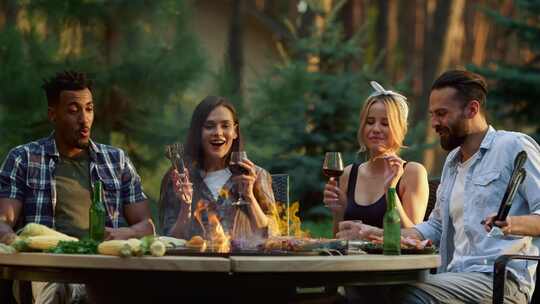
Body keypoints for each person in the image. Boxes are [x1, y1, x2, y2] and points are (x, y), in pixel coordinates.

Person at [338, 70, 540, 303]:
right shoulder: (453, 162)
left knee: (406, 295)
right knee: (360, 290)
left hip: (500, 282)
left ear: (472, 109)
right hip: (453, 276)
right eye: (432, 114)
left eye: (442, 114)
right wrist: (375, 234)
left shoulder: (513, 147)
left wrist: (513, 223)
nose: (434, 123)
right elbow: (434, 228)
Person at [0, 71, 154, 304]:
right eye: (74, 110)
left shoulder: (116, 160)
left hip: (105, 269)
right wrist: (14, 240)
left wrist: (123, 233)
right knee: (62, 293)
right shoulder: (24, 159)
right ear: (53, 114)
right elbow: (3, 221)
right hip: (48, 270)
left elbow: (146, 227)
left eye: (89, 109)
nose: (84, 119)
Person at [159, 96, 277, 243]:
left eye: (225, 126)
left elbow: (273, 236)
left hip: (244, 264)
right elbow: (169, 242)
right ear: (198, 132)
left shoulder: (256, 175)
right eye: (209, 126)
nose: (218, 132)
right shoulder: (180, 179)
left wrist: (249, 197)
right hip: (195, 264)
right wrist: (185, 207)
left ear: (235, 132)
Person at [323, 81, 429, 236]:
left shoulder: (412, 173)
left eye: (385, 123)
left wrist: (390, 190)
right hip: (353, 260)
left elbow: (414, 238)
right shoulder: (347, 173)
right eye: (370, 122)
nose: (375, 129)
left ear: (400, 128)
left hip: (392, 261)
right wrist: (339, 212)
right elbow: (337, 238)